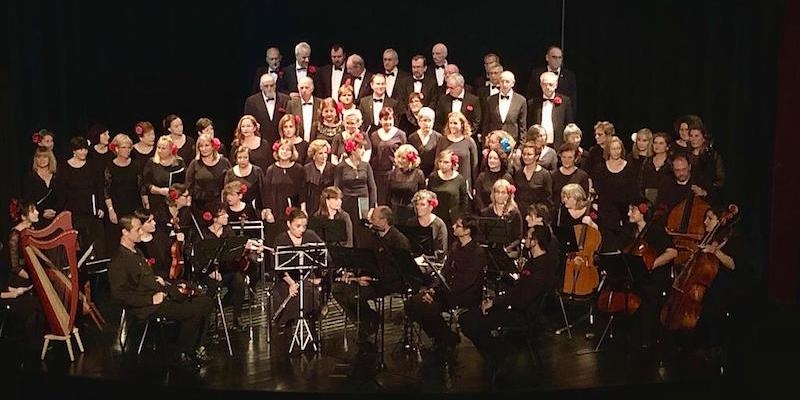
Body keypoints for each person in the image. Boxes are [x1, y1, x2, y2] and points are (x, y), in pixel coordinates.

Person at [108, 215, 214, 368]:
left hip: (159, 292)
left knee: (205, 302)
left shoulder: (137, 252)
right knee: (192, 310)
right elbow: (120, 295)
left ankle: (197, 347)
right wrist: (150, 300)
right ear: (125, 232)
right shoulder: (119, 260)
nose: (140, 232)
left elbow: (145, 277)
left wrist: (160, 282)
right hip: (147, 304)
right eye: (137, 230)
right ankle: (183, 353)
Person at [459, 225, 558, 361]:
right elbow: (518, 291)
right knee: (466, 318)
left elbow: (521, 300)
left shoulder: (541, 268)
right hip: (515, 307)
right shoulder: (533, 262)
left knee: (471, 322)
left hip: (523, 315)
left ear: (534, 241)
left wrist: (495, 303)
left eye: (528, 237)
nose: (525, 240)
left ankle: (497, 354)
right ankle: (495, 352)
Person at [405, 214, 486, 356]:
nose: (453, 227)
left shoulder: (477, 252)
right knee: (413, 303)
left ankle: (445, 339)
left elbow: (466, 282)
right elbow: (444, 272)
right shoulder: (455, 246)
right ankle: (444, 336)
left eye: (458, 225)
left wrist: (441, 293)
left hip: (464, 295)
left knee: (429, 307)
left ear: (467, 231)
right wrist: (433, 290)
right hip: (447, 290)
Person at [331, 205, 410, 347]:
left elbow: (398, 271)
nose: (370, 222)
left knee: (353, 295)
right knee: (337, 289)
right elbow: (368, 261)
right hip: (372, 277)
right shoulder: (374, 237)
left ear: (384, 221)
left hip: (389, 281)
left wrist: (371, 279)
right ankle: (367, 320)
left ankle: (369, 322)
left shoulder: (398, 240)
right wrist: (356, 274)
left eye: (373, 219)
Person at [198, 203, 263, 331]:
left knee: (239, 281)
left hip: (228, 270)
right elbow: (199, 258)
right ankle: (207, 320)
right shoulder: (203, 234)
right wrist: (210, 272)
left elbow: (236, 250)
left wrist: (249, 248)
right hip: (210, 272)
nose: (227, 216)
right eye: (223, 214)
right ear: (214, 218)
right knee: (211, 287)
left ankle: (236, 318)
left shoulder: (228, 231)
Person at [623, 199, 677, 348]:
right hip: (637, 277)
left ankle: (648, 337)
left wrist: (652, 264)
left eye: (632, 210)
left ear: (643, 212)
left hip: (654, 278)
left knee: (647, 297)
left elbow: (672, 252)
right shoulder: (631, 231)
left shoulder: (655, 231)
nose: (628, 213)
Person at [270, 208, 324, 328]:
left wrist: (318, 277)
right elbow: (278, 267)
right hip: (286, 278)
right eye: (298, 226)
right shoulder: (281, 239)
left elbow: (323, 255)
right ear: (289, 224)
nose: (301, 230)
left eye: (304, 226)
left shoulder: (310, 235)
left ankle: (310, 321)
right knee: (293, 295)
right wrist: (291, 283)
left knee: (310, 293)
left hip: (306, 277)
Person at [58, 136, 107, 257]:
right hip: (74, 212)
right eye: (80, 149)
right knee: (76, 245)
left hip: (91, 211)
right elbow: (62, 192)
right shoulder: (64, 168)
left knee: (94, 243)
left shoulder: (92, 166)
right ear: (74, 151)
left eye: (85, 149)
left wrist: (101, 206)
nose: (84, 152)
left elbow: (99, 188)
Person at [592, 136, 638, 252]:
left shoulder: (629, 168)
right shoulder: (600, 168)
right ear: (608, 150)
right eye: (613, 149)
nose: (616, 151)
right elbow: (599, 190)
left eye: (618, 148)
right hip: (605, 213)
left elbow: (633, 191)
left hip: (623, 214)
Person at [185, 132, 231, 214]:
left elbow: (230, 184)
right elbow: (189, 185)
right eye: (201, 146)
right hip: (199, 207)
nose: (203, 149)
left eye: (206, 145)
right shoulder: (195, 163)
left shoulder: (224, 162)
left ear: (213, 146)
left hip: (219, 205)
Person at [370, 107, 408, 205]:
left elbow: (404, 154)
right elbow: (373, 155)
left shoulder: (401, 134)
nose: (388, 122)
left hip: (395, 174)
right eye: (385, 119)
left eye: (390, 119)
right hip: (378, 175)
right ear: (380, 120)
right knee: (381, 202)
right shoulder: (374, 135)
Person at [527, 72, 574, 150]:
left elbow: (569, 123)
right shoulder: (533, 103)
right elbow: (529, 124)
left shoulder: (565, 101)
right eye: (545, 84)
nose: (547, 87)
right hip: (538, 146)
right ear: (541, 85)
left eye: (550, 84)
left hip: (558, 145)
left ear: (556, 85)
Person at [142, 135, 186, 218]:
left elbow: (185, 182)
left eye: (163, 148)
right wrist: (160, 191)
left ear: (170, 149)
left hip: (176, 203)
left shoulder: (179, 162)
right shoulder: (152, 163)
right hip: (157, 203)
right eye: (158, 147)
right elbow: (146, 184)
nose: (160, 150)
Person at [436, 111, 480, 194]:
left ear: (462, 124)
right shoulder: (442, 140)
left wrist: (475, 187)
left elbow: (474, 167)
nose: (452, 126)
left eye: (455, 123)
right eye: (450, 123)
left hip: (464, 183)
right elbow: (437, 162)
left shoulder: (469, 141)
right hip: (445, 183)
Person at [427, 149, 470, 234]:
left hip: (452, 220)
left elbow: (464, 202)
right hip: (436, 217)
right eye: (440, 161)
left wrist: (459, 220)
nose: (442, 165)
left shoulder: (459, 179)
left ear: (452, 164)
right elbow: (429, 196)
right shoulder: (433, 177)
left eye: (446, 162)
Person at [526, 45, 577, 115]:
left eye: (560, 57)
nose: (557, 60)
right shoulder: (536, 74)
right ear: (547, 58)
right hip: (540, 111)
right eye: (554, 57)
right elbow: (531, 95)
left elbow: (572, 100)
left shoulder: (569, 76)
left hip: (561, 115)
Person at [479, 179, 523, 256]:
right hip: (490, 252)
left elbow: (518, 238)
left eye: (503, 193)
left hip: (508, 252)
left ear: (508, 195)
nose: (500, 195)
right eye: (497, 192)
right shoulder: (486, 212)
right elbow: (482, 235)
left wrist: (507, 249)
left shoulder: (514, 213)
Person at [481, 71, 527, 143]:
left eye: (507, 82)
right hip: (494, 143)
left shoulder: (521, 100)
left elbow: (522, 127)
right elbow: (486, 124)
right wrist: (485, 145)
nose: (504, 84)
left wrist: (520, 147)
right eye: (502, 81)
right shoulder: (490, 100)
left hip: (513, 143)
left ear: (513, 83)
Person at [244, 74, 290, 145]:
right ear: (261, 87)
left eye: (272, 85)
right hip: (260, 143)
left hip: (282, 143)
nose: (269, 88)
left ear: (275, 85)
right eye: (266, 86)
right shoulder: (251, 101)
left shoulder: (285, 99)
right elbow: (248, 122)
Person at [22, 146, 60, 225]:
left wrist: (56, 211)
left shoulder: (57, 176)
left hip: (57, 218)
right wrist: (42, 212)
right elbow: (27, 200)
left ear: (50, 158)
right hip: (37, 219)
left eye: (45, 157)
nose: (42, 160)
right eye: (39, 157)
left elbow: (63, 197)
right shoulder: (30, 177)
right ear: (35, 159)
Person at [512, 141, 553, 216]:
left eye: (529, 154)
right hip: (520, 215)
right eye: (524, 154)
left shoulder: (545, 175)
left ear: (536, 156)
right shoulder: (518, 173)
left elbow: (547, 199)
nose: (525, 157)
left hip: (536, 215)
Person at [223, 145, 265, 213]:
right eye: (240, 157)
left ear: (249, 158)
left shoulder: (257, 171)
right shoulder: (230, 173)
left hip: (253, 210)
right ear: (236, 159)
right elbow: (226, 193)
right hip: (234, 209)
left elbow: (263, 191)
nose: (242, 160)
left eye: (245, 157)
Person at [406, 189, 448, 256]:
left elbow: (441, 250)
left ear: (430, 207)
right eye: (417, 204)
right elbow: (407, 245)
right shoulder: (411, 222)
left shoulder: (439, 224)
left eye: (422, 204)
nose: (418, 207)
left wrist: (424, 259)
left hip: (432, 262)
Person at [551, 143, 590, 208]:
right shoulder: (553, 176)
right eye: (564, 157)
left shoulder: (582, 176)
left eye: (570, 157)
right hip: (557, 214)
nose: (566, 160)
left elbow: (584, 199)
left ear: (575, 158)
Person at [407, 106, 442, 177]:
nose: (427, 123)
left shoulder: (438, 137)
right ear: (419, 121)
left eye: (430, 120)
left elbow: (439, 159)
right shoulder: (412, 138)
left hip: (433, 175)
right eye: (425, 120)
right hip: (415, 175)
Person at [285, 77, 322, 144]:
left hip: (316, 143)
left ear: (312, 88)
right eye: (301, 88)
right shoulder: (291, 104)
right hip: (297, 143)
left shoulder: (320, 103)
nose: (304, 90)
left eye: (306, 87)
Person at [304, 139, 335, 215]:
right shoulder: (306, 169)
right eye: (320, 153)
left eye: (325, 153)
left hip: (328, 205)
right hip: (311, 205)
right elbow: (303, 191)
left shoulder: (333, 168)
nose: (324, 156)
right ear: (314, 155)